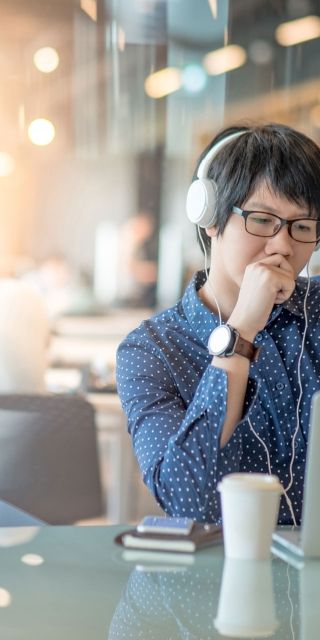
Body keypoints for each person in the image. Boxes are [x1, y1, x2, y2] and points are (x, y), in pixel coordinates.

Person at [116, 123, 320, 526]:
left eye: (302, 227)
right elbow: (187, 500)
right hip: (214, 580)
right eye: (262, 220)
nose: (283, 245)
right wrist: (241, 331)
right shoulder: (150, 350)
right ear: (210, 218)